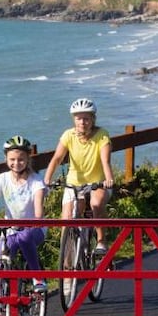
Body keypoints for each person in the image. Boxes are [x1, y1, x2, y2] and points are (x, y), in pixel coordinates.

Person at [0, 135, 48, 292]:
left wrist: (36, 220)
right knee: (0, 262)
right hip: (11, 230)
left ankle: (38, 277)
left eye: (21, 159)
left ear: (28, 159)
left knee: (25, 237)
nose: (16, 163)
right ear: (6, 158)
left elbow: (38, 209)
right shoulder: (3, 179)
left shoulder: (36, 181)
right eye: (12, 159)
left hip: (34, 229)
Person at [43, 98, 114, 253]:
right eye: (79, 118)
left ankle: (101, 241)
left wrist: (109, 179)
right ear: (74, 119)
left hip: (97, 182)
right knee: (67, 219)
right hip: (74, 183)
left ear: (93, 119)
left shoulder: (102, 135)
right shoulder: (68, 135)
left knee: (96, 204)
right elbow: (57, 158)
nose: (82, 122)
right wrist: (47, 178)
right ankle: (68, 263)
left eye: (86, 118)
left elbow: (105, 160)